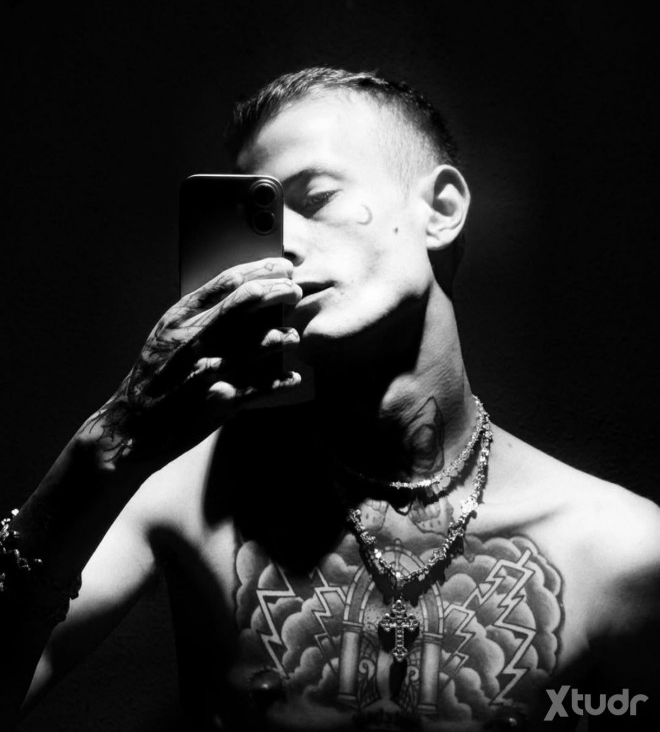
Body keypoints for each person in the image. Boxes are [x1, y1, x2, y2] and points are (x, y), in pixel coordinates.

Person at [1, 67, 658, 731]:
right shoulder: (187, 491)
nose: (283, 243)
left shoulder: (619, 548)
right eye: (261, 220)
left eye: (316, 196)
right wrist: (111, 442)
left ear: (440, 210)